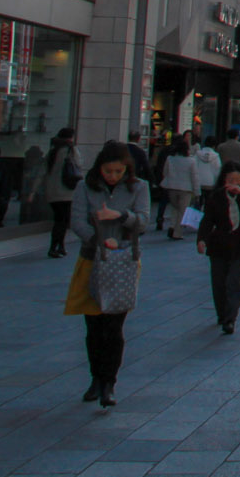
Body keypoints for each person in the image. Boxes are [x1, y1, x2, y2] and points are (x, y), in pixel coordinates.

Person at [65, 140, 149, 408]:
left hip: (123, 260)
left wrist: (121, 215)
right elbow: (77, 220)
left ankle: (109, 382)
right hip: (93, 259)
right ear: (99, 167)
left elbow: (143, 221)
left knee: (114, 326)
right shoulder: (84, 187)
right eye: (108, 171)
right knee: (94, 326)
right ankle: (95, 379)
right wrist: (97, 239)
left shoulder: (139, 187)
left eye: (118, 172)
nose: (113, 176)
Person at [197, 163, 240, 335]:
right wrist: (201, 239)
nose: (234, 183)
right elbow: (207, 220)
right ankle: (222, 313)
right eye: (230, 180)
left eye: (238, 180)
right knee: (219, 282)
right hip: (218, 245)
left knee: (233, 281)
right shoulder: (216, 197)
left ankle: (230, 318)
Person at [36, 128, 83, 258]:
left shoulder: (52, 152)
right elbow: (79, 164)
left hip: (52, 192)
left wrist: (33, 191)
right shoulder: (71, 150)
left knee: (59, 219)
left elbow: (42, 172)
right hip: (67, 191)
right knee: (63, 221)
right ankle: (55, 247)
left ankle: (59, 246)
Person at [159, 139, 199, 240]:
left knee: (175, 208)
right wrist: (197, 191)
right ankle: (177, 232)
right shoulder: (191, 161)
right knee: (182, 211)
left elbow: (165, 172)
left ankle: (172, 226)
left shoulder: (170, 158)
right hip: (186, 189)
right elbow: (194, 177)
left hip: (171, 187)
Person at [191, 132, 222, 210]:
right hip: (210, 183)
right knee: (208, 203)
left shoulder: (197, 154)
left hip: (198, 182)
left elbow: (193, 167)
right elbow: (217, 170)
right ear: (214, 145)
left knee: (197, 203)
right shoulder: (216, 156)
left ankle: (196, 218)